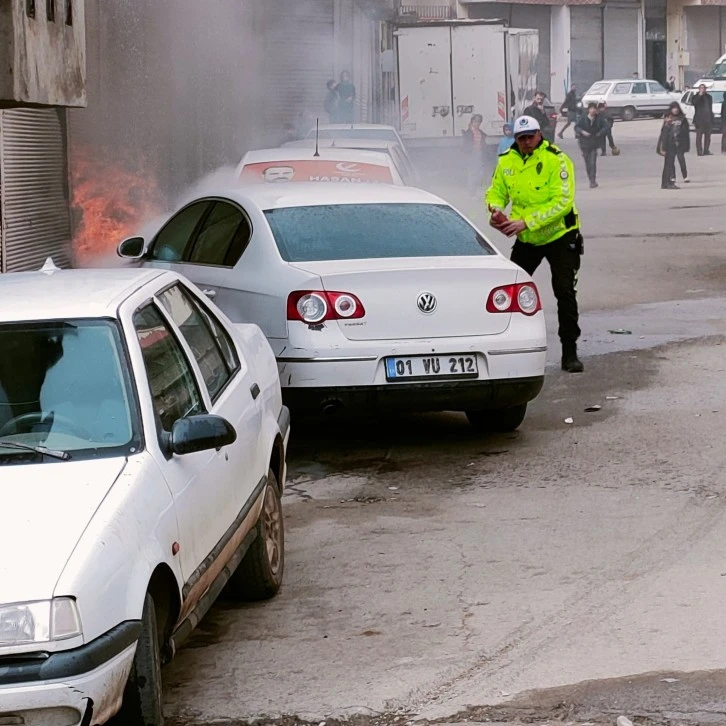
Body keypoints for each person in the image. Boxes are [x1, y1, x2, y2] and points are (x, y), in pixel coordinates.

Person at [485, 115, 585, 373]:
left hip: (560, 236)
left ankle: (569, 350)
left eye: (531, 136)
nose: (527, 141)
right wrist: (495, 212)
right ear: (515, 139)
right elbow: (496, 191)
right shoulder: (507, 160)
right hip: (527, 239)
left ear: (540, 134)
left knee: (564, 291)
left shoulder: (557, 159)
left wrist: (526, 222)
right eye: (522, 138)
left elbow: (562, 202)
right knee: (507, 290)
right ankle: (503, 347)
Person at [575, 102, 607, 188]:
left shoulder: (599, 118)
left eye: (594, 109)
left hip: (594, 143)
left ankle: (593, 180)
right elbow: (576, 127)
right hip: (584, 144)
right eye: (591, 108)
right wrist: (582, 132)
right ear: (588, 110)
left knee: (593, 163)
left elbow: (606, 127)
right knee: (587, 163)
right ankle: (590, 179)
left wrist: (599, 133)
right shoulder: (583, 118)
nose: (593, 110)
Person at [462, 114, 487, 197]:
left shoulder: (480, 133)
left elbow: (483, 145)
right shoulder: (468, 133)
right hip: (471, 155)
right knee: (472, 174)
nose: (477, 124)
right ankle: (471, 193)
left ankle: (475, 192)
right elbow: (465, 145)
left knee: (478, 174)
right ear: (472, 122)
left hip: (479, 154)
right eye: (475, 122)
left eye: (479, 122)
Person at [667, 101, 690, 182]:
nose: (675, 110)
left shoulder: (682, 118)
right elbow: (664, 131)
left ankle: (685, 176)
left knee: (681, 159)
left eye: (676, 108)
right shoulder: (668, 118)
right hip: (670, 142)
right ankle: (673, 177)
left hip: (680, 142)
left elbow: (686, 131)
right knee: (671, 161)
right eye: (673, 108)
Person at [693, 84, 713, 156]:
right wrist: (700, 95)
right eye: (701, 88)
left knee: (708, 136)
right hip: (699, 120)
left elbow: (710, 108)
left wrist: (711, 118)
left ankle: (706, 150)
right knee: (699, 136)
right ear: (699, 89)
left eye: (704, 88)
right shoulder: (696, 96)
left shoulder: (709, 97)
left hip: (708, 119)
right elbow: (694, 103)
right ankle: (699, 151)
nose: (703, 89)